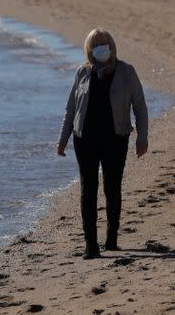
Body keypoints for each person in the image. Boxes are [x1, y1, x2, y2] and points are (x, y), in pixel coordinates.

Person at [57, 28, 148, 259]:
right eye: (96, 43)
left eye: (104, 42)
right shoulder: (82, 73)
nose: (101, 47)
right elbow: (71, 109)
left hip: (116, 138)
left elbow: (140, 106)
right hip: (84, 139)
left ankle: (112, 239)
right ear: (89, 49)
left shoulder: (126, 72)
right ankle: (91, 244)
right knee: (88, 190)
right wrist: (63, 139)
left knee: (112, 188)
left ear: (112, 45)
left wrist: (142, 137)